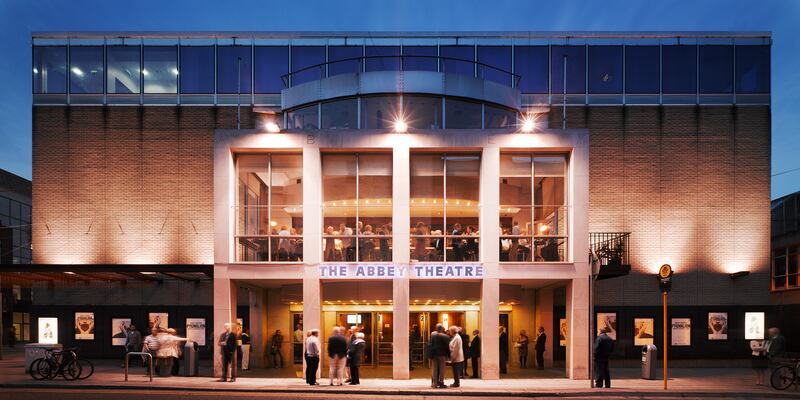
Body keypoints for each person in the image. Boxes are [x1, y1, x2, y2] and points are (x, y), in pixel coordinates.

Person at [428, 323, 449, 388]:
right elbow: (447, 347)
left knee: (434, 369)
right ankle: (441, 382)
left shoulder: (433, 336)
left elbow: (430, 345)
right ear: (442, 329)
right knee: (442, 369)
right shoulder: (445, 336)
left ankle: (434, 383)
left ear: (436, 329)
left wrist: (430, 355)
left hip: (434, 355)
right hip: (442, 355)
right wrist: (448, 355)